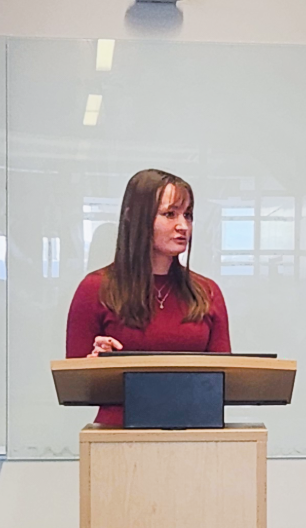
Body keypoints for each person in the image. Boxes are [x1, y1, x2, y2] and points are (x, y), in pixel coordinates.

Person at [66, 168, 231, 426]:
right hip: (118, 438)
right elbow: (74, 383)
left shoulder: (207, 292)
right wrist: (97, 365)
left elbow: (226, 380)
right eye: (170, 214)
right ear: (135, 218)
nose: (183, 226)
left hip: (197, 437)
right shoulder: (95, 289)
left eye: (187, 215)